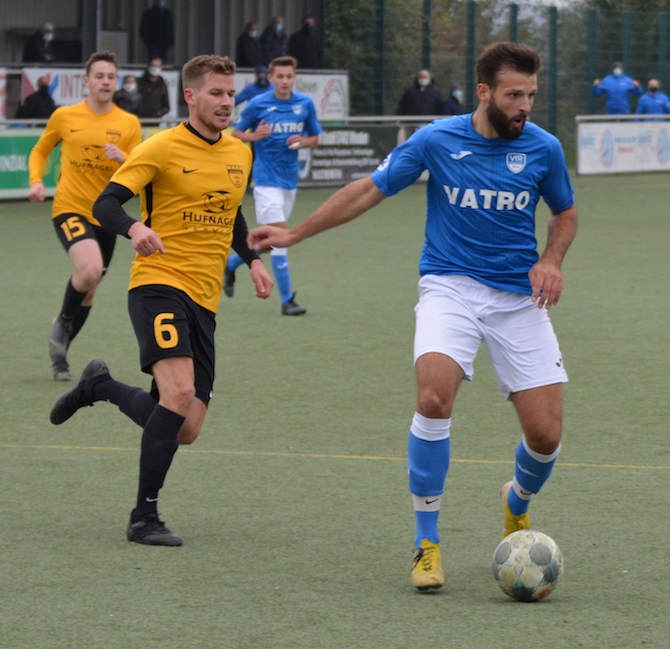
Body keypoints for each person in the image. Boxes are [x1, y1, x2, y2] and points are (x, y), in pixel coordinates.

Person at [247, 41, 578, 592]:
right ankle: (427, 542)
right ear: (484, 92)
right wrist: (296, 233)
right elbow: (368, 191)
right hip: (449, 286)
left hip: (518, 298)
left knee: (545, 437)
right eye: (514, 95)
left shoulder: (543, 147)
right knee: (432, 398)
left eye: (531, 95)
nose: (525, 106)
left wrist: (551, 259)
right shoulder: (437, 138)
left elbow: (565, 212)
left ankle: (516, 502)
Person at [50, 54, 273, 547]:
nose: (227, 102)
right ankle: (143, 518)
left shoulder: (240, 153)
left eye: (230, 93)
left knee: (185, 426)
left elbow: (232, 213)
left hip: (205, 299)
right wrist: (135, 229)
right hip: (158, 283)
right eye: (216, 93)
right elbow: (105, 203)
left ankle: (99, 386)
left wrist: (253, 260)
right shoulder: (161, 147)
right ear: (190, 96)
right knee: (177, 394)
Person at [27, 51, 142, 381]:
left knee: (90, 288)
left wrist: (124, 158)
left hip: (107, 214)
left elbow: (141, 170)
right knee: (89, 269)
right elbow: (41, 150)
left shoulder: (129, 123)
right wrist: (36, 180)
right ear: (86, 81)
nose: (105, 82)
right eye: (100, 76)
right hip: (70, 208)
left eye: (111, 77)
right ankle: (63, 322)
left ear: (116, 82)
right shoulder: (65, 116)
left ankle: (60, 355)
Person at [224, 55, 322, 316]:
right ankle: (287, 300)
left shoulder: (304, 103)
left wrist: (302, 142)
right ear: (271, 78)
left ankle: (231, 265)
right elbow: (235, 133)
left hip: (289, 180)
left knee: (270, 241)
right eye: (280, 76)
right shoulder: (259, 103)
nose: (285, 81)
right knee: (280, 240)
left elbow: (315, 138)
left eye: (289, 76)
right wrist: (254, 136)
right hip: (266, 180)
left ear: (294, 78)